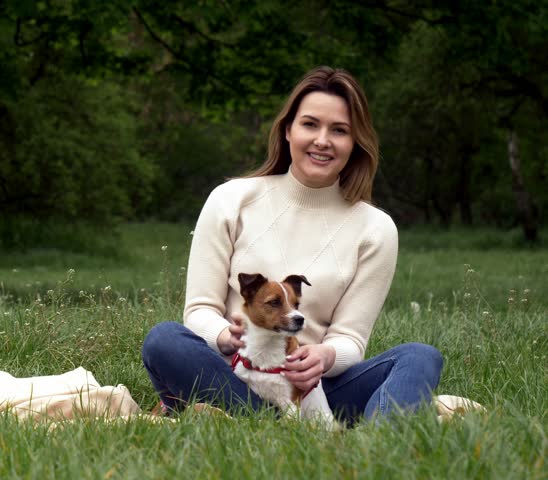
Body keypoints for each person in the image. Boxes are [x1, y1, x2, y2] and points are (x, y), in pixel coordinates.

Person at [141, 66, 443, 424]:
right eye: (310, 124)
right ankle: (267, 424)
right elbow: (199, 311)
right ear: (288, 130)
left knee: (421, 357)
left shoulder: (375, 229)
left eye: (340, 130)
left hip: (315, 392)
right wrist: (226, 337)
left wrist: (325, 357)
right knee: (164, 340)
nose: (322, 140)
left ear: (356, 142)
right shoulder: (231, 199)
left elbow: (350, 339)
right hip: (233, 377)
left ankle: (374, 448)